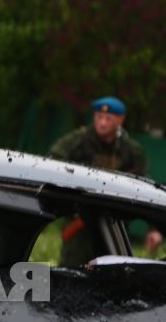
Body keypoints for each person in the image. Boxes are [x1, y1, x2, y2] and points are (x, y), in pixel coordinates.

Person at [47, 95, 158, 265]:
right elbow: (53, 160)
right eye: (99, 117)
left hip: (115, 227)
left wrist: (154, 229)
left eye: (108, 118)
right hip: (80, 224)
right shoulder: (80, 140)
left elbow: (147, 188)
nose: (103, 123)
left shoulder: (130, 151)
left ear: (121, 120)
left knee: (113, 274)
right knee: (71, 273)